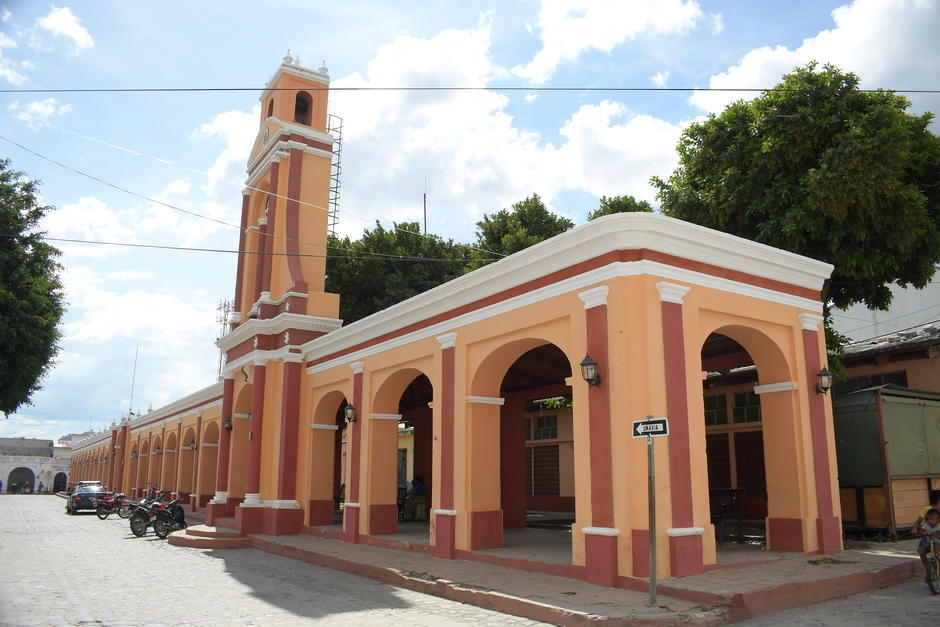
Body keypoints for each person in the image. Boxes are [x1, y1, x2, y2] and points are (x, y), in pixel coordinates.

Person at [917, 507, 940, 581]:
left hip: (936, 542)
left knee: (937, 553)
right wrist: (922, 532)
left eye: (932, 519)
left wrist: (934, 534)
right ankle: (928, 569)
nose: (930, 521)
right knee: (920, 550)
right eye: (928, 519)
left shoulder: (939, 526)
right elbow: (922, 530)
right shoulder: (926, 525)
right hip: (928, 542)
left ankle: (938, 569)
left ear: (938, 520)